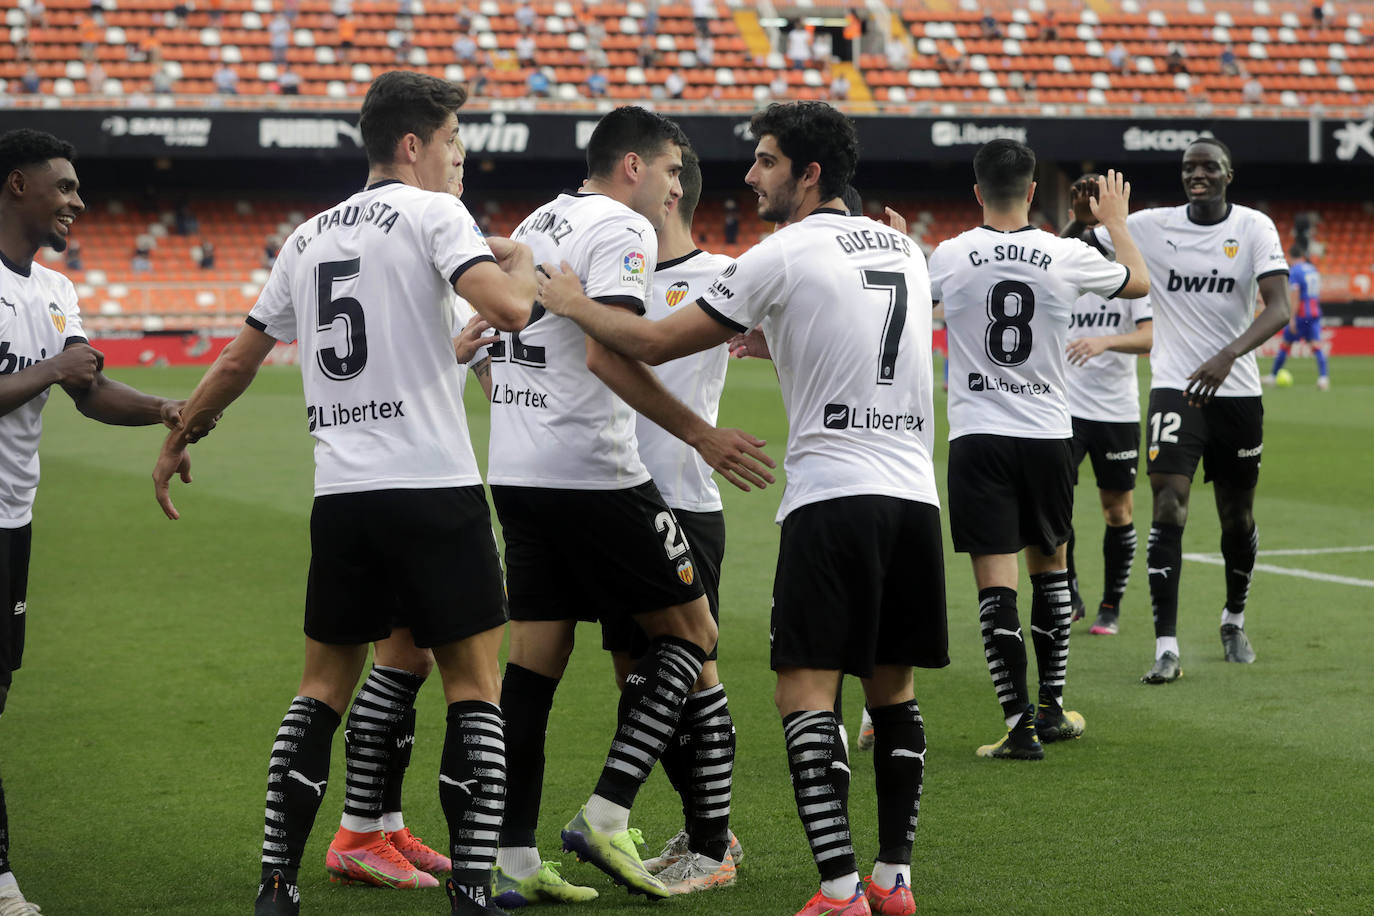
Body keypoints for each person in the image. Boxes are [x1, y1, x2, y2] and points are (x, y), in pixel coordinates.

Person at [537, 99, 946, 916]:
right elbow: (870, 328)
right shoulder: (904, 247)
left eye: (764, 160)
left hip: (833, 499)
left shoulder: (779, 253)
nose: (750, 175)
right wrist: (778, 336)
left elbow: (647, 344)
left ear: (809, 171)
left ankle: (836, 891)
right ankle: (894, 880)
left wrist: (572, 301)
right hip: (913, 497)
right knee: (893, 692)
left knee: (804, 694)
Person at [151, 70, 539, 916]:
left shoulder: (307, 236)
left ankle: (275, 884)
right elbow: (512, 308)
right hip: (434, 490)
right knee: (475, 688)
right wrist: (529, 264)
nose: (458, 163)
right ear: (413, 145)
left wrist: (180, 437)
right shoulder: (436, 214)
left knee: (320, 689)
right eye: (453, 146)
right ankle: (473, 891)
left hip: (344, 498)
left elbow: (238, 361)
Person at [484, 106, 771, 905]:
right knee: (694, 635)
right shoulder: (622, 227)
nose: (679, 188)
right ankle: (612, 814)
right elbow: (611, 351)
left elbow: (508, 347)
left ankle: (511, 859)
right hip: (594, 470)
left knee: (533, 669)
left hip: (517, 468)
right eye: (674, 172)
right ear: (635, 166)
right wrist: (702, 435)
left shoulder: (536, 223)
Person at [0, 128, 191, 916]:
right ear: (17, 186)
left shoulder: (54, 291)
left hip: (14, 520)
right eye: (65, 187)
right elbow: (62, 374)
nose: (78, 202)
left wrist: (164, 412)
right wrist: (50, 369)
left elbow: (90, 389)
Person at [928, 141, 1149, 760]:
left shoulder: (950, 253)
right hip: (1049, 433)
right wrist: (1117, 223)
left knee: (995, 586)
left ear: (977, 192)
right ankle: (1051, 707)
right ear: (1031, 192)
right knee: (1050, 569)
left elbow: (906, 299)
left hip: (979, 435)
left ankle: (1018, 727)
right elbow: (1137, 284)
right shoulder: (1066, 252)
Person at [1066, 136, 1291, 683]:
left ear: (1227, 174)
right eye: (1190, 167)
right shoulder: (1151, 225)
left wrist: (1228, 355)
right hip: (1175, 388)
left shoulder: (1254, 228)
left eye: (1209, 167)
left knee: (1237, 517)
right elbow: (1076, 250)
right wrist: (1082, 220)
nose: (1198, 174)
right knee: (1168, 504)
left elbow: (1280, 307)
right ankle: (1166, 646)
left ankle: (1233, 617)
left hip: (1235, 391)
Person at [595, 147, 743, 896]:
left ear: (670, 194)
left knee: (694, 670)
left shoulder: (722, 278)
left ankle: (713, 844)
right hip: (616, 499)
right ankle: (706, 829)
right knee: (636, 679)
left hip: (683, 496)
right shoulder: (610, 277)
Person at [1058, 173, 1155, 636]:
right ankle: (1069, 590)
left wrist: (1105, 342)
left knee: (1117, 510)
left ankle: (1110, 605)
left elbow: (1149, 337)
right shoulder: (1064, 260)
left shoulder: (1127, 264)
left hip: (1115, 410)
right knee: (1056, 504)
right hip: (1064, 407)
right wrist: (1079, 221)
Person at [1265, 246, 1328, 390]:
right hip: (1314, 311)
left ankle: (1273, 376)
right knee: (1316, 345)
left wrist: (1292, 318)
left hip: (1301, 314)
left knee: (1285, 344)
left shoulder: (1295, 271)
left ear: (1291, 257)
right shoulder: (1313, 269)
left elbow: (1295, 294)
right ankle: (1323, 379)